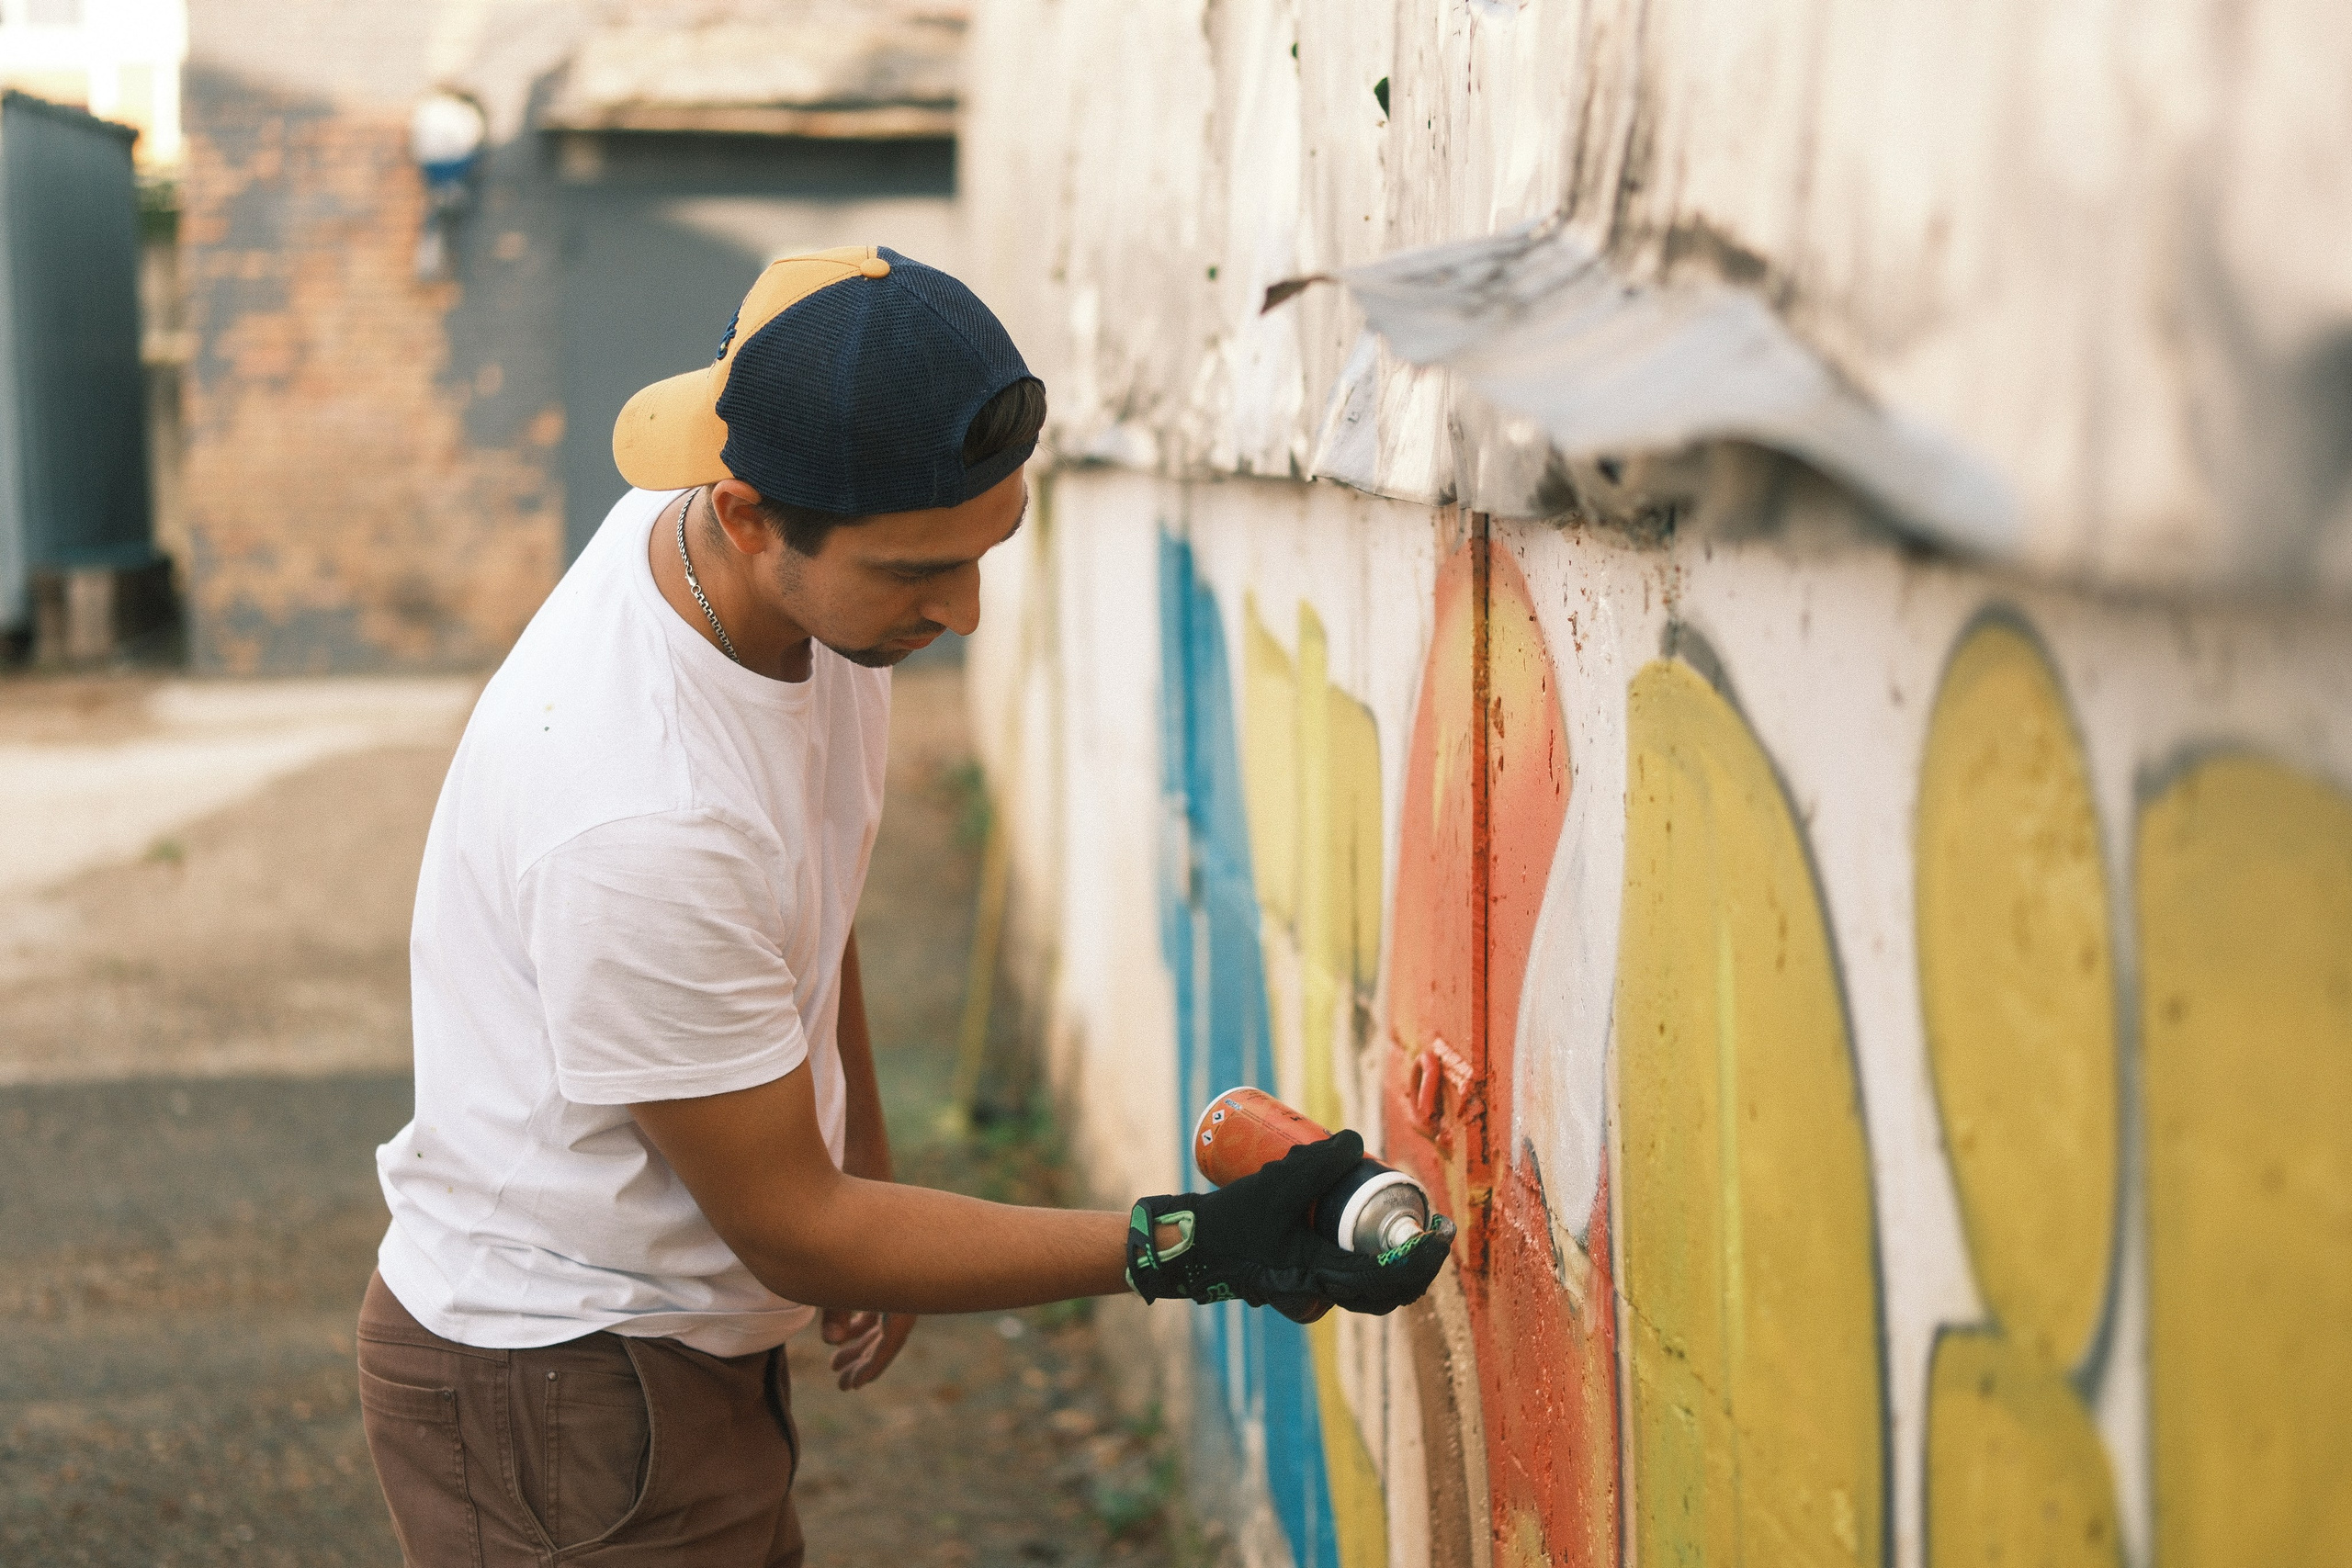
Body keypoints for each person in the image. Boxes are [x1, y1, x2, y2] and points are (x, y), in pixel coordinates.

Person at [354, 245, 1453, 1567]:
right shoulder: (639, 813)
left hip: (665, 1350)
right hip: (558, 1389)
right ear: (751, 513)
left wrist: (866, 1161)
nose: (966, 610)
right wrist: (1196, 1245)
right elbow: (799, 1230)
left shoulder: (805, 587)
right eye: (921, 570)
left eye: (993, 544)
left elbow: (804, 899)